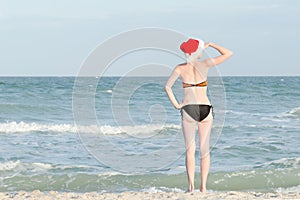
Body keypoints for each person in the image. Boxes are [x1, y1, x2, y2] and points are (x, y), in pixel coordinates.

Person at [164, 38, 233, 193]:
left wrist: (176, 105)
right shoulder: (205, 64)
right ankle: (203, 187)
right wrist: (211, 44)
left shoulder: (180, 69)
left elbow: (167, 87)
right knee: (204, 150)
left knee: (190, 149)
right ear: (197, 52)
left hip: (188, 108)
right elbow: (228, 53)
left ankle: (191, 187)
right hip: (205, 109)